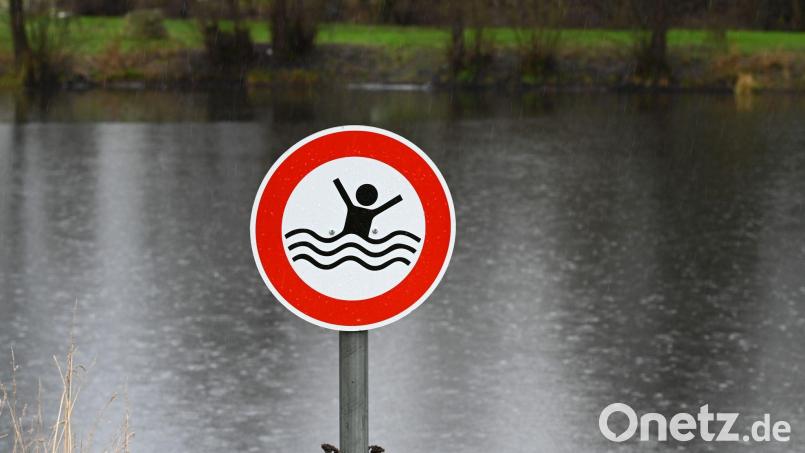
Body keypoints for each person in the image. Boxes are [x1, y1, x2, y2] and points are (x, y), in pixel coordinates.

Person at [333, 178, 402, 239]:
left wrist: (337, 182)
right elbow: (387, 205)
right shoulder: (369, 212)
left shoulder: (353, 208)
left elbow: (344, 195)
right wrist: (398, 198)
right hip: (360, 241)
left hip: (345, 238)